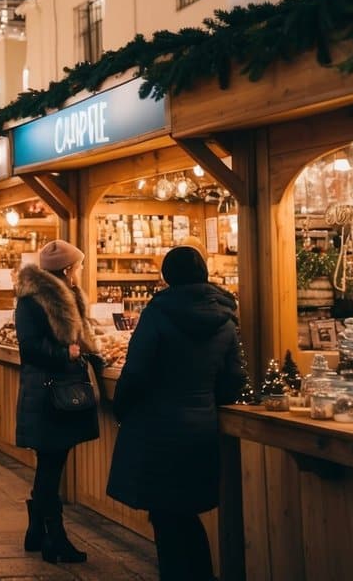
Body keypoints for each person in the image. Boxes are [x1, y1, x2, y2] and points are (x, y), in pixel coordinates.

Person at [107, 246, 246, 581]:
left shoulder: (158, 313)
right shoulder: (225, 318)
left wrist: (120, 408)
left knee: (167, 518)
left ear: (167, 276)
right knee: (183, 513)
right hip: (200, 427)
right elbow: (234, 380)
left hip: (157, 427)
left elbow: (136, 372)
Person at [14, 239, 100, 564]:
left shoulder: (63, 296)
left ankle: (36, 531)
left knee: (50, 466)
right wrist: (66, 352)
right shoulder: (34, 300)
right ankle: (55, 539)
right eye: (77, 266)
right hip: (49, 395)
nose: (79, 272)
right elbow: (30, 348)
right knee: (51, 467)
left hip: (53, 393)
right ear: (67, 269)